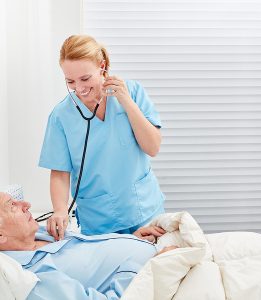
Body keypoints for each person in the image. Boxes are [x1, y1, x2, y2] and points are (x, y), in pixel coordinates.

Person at [39, 34, 165, 241]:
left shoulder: (132, 92)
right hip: (99, 221)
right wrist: (60, 210)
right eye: (70, 81)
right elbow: (60, 172)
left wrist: (126, 101)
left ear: (102, 67)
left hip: (144, 209)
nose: (79, 88)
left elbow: (153, 147)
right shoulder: (61, 116)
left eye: (85, 78)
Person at [0, 192, 173, 300]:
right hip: (159, 274)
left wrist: (130, 240)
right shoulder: (34, 277)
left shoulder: (43, 233)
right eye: (12, 206)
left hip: (156, 248)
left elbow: (89, 254)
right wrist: (151, 268)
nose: (26, 205)